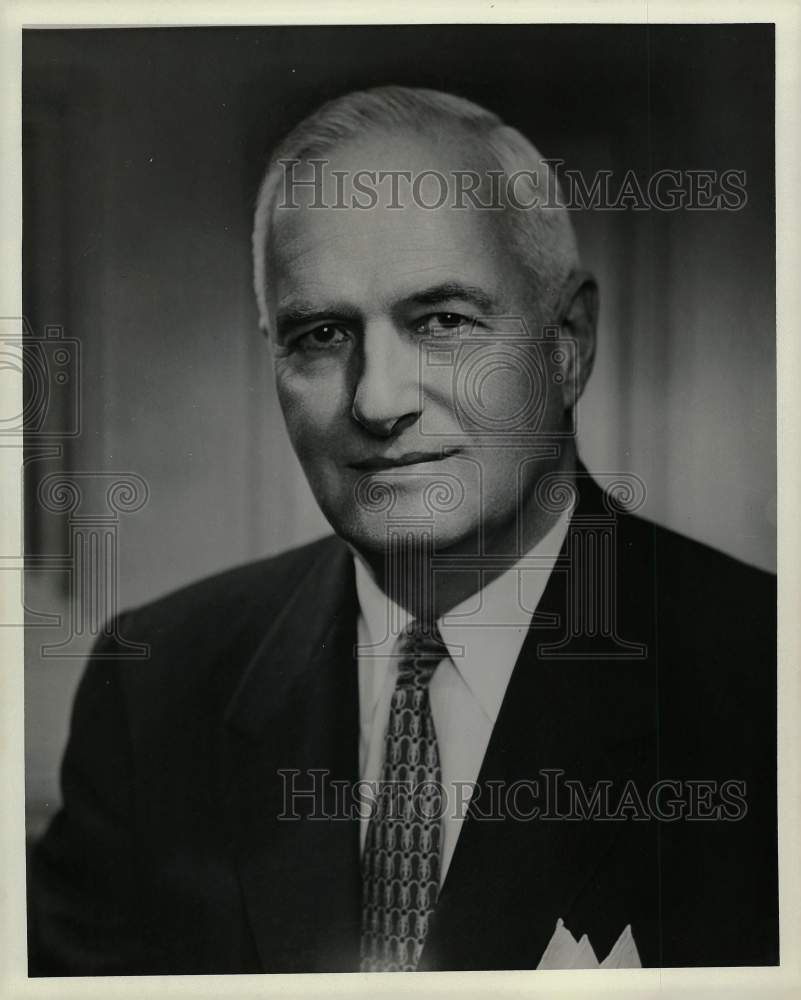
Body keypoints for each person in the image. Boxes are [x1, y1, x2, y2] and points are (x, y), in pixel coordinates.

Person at [28, 86, 777, 975]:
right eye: (320, 334)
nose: (377, 400)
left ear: (567, 342)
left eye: (443, 322)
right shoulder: (157, 683)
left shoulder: (765, 674)